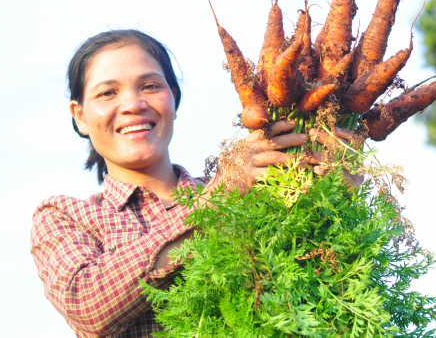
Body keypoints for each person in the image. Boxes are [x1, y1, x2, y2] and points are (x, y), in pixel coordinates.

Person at [30, 30, 359, 337]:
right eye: (107, 93)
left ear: (173, 98)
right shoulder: (62, 216)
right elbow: (89, 307)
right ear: (80, 116)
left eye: (150, 86)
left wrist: (336, 206)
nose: (133, 104)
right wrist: (215, 201)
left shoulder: (255, 192)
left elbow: (317, 298)